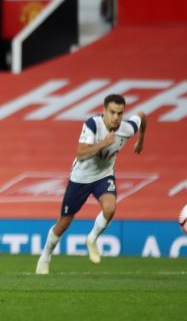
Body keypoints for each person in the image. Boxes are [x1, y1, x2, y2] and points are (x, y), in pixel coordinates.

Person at [36, 94, 147, 275]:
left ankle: (92, 239)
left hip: (104, 176)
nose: (116, 117)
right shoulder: (93, 124)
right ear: (104, 111)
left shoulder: (127, 128)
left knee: (110, 208)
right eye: (112, 112)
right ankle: (46, 255)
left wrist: (140, 140)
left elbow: (141, 116)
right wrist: (102, 144)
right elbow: (80, 153)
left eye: (120, 113)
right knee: (64, 223)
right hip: (80, 178)